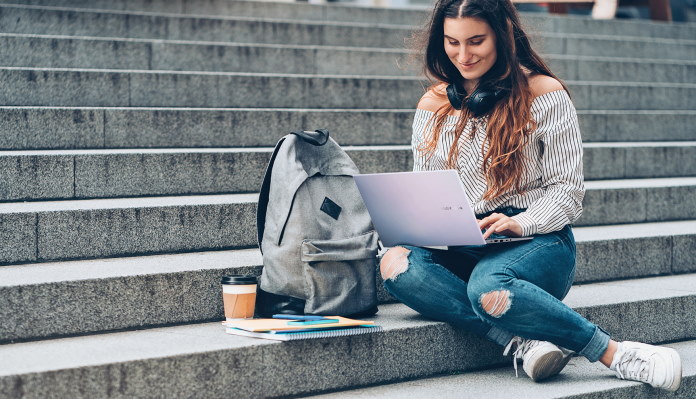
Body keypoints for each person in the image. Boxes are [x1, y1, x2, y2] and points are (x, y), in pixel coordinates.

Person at [379, 0, 682, 391]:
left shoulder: (545, 94)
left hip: (536, 241)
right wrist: (418, 222)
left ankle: (616, 353)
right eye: (452, 43)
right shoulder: (434, 103)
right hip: (465, 241)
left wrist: (521, 221)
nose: (463, 55)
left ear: (502, 36)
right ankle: (523, 340)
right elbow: (428, 189)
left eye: (476, 42)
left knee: (489, 286)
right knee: (396, 264)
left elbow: (568, 191)